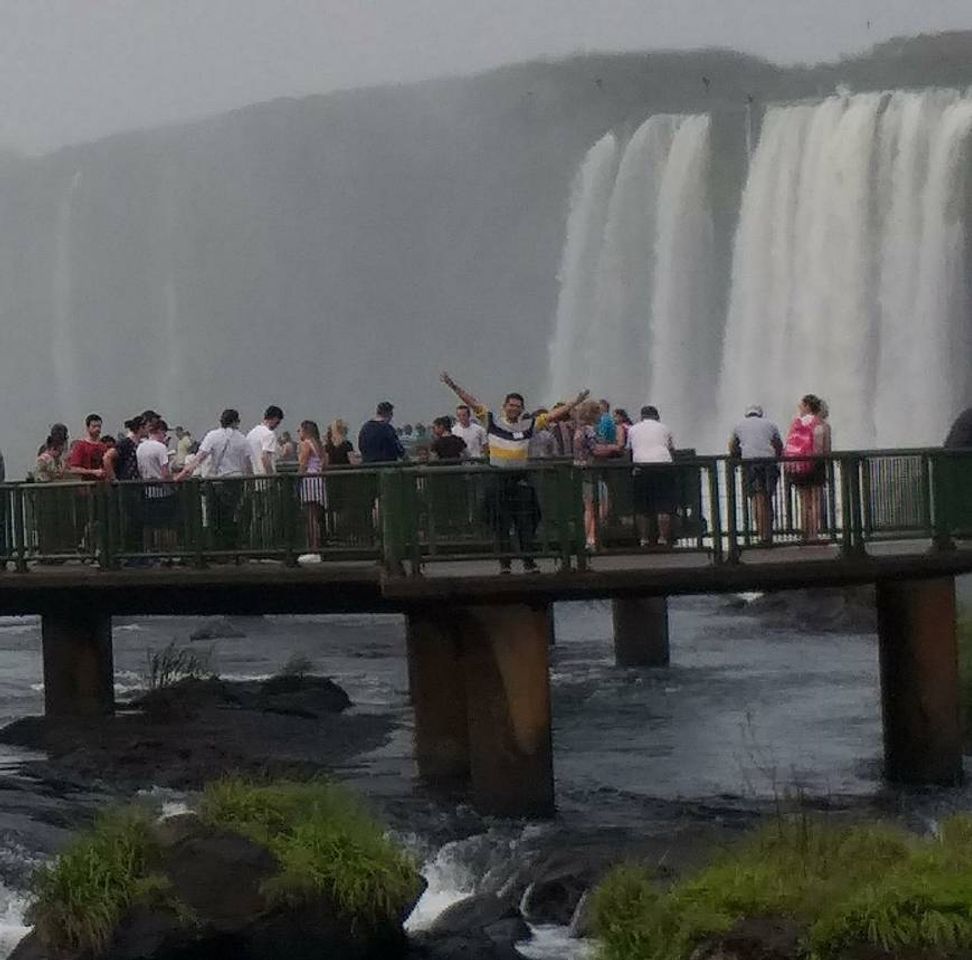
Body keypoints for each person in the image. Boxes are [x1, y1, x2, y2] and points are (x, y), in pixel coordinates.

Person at [440, 371, 588, 573]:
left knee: (526, 522)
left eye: (517, 407)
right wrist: (453, 386)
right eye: (511, 405)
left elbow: (555, 414)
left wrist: (577, 400)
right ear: (505, 406)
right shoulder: (491, 421)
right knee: (500, 524)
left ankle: (528, 562)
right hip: (498, 477)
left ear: (522, 409)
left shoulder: (529, 425)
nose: (514, 409)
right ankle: (505, 564)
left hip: (520, 479)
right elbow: (472, 403)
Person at [177, 409, 253, 552]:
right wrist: (250, 481)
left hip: (216, 482)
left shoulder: (212, 436)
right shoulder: (242, 439)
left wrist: (181, 475)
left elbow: (199, 458)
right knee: (231, 516)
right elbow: (247, 463)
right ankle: (232, 549)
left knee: (214, 516)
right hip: (235, 481)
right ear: (236, 422)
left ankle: (216, 549)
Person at [729, 405, 783, 546]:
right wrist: (778, 460)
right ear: (760, 414)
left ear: (747, 414)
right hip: (769, 463)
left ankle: (761, 534)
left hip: (751, 464)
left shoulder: (738, 425)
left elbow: (732, 446)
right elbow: (778, 445)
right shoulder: (771, 424)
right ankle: (769, 532)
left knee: (757, 499)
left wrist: (737, 458)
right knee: (767, 497)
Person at [627, 405, 677, 547]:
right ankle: (662, 538)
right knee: (664, 504)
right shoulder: (665, 428)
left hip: (641, 467)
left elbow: (629, 450)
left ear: (642, 416)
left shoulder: (633, 429)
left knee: (641, 506)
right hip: (663, 466)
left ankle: (644, 539)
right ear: (657, 416)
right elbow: (672, 449)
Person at [783, 394, 830, 542]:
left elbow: (789, 445)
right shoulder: (822, 425)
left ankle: (804, 532)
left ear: (808, 406)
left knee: (804, 501)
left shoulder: (796, 423)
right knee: (815, 499)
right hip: (816, 465)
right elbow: (826, 449)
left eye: (801, 406)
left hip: (799, 465)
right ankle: (814, 535)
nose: (799, 408)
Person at [136, 418, 177, 554]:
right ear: (159, 431)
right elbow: (165, 473)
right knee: (166, 524)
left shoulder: (140, 447)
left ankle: (150, 551)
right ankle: (167, 552)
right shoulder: (161, 447)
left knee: (150, 524)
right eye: (164, 433)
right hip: (163, 491)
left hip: (148, 490)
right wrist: (174, 482)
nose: (165, 436)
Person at [573, 400, 602, 551]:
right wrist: (612, 448)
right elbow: (595, 450)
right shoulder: (590, 430)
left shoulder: (578, 430)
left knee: (587, 506)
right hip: (591, 470)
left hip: (580, 469)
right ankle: (591, 538)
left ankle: (587, 539)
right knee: (600, 505)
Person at [297, 420, 327, 557]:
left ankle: (313, 549)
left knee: (309, 516)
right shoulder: (319, 445)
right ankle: (318, 547)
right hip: (319, 479)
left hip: (309, 479)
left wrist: (297, 478)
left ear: (305, 430)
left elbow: (303, 464)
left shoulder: (306, 444)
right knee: (316, 515)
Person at [67, 414, 106, 481]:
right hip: (86, 485)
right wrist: (93, 472)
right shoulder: (81, 445)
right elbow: (73, 469)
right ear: (88, 428)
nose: (97, 429)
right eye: (94, 426)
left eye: (99, 426)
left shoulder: (103, 446)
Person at [247, 405, 284, 476]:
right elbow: (265, 457)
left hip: (252, 477)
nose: (277, 426)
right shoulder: (269, 434)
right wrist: (271, 476)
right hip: (264, 476)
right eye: (277, 422)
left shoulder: (251, 434)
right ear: (275, 418)